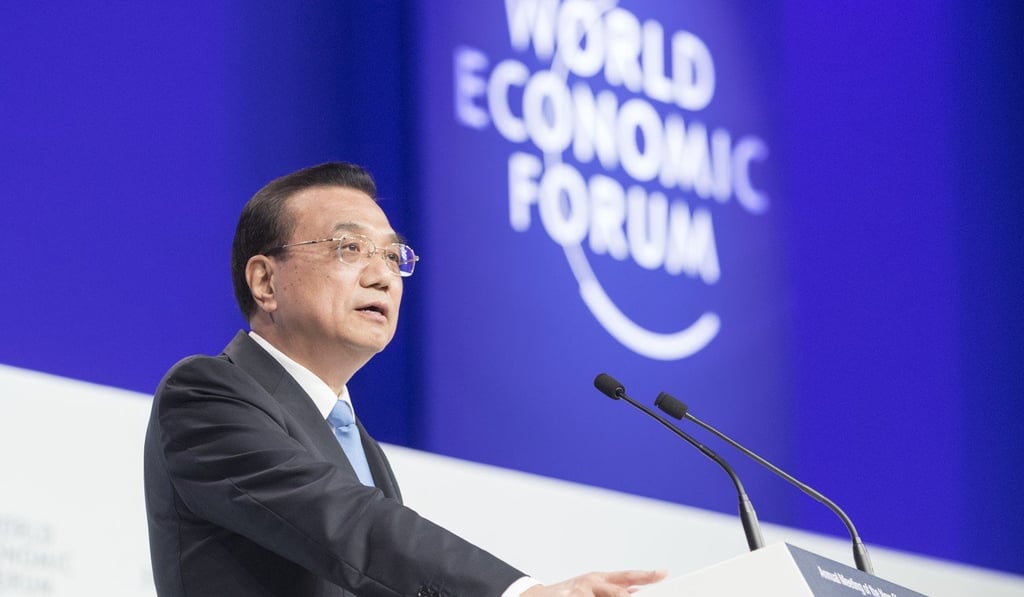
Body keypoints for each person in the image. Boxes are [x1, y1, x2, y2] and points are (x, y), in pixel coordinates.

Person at [143, 162, 665, 597]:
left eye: (393, 256)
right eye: (350, 248)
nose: (383, 276)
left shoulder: (361, 446)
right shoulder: (205, 395)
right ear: (265, 281)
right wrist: (519, 593)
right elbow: (347, 524)